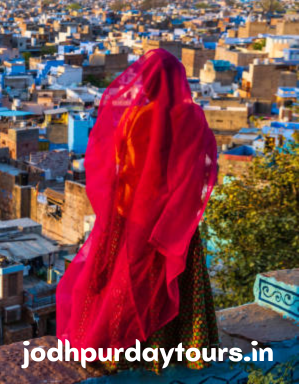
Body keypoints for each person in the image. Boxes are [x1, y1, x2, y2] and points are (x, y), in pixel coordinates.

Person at [56, 49, 219, 373]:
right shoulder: (192, 119)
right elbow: (203, 169)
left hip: (133, 216)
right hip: (174, 222)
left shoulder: (135, 117)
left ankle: (119, 350)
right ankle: (182, 350)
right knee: (174, 281)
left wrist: (120, 211)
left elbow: (117, 167)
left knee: (125, 282)